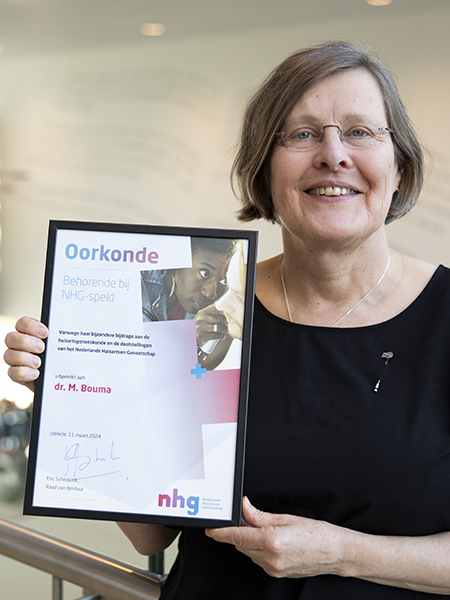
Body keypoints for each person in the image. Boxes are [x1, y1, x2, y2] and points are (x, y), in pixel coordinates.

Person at [5, 40, 450, 598]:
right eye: (302, 134)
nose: (333, 154)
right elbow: (150, 534)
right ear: (264, 170)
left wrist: (344, 554)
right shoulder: (199, 308)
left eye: (360, 131)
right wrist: (74, 395)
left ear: (399, 167)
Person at [141, 236, 237, 369]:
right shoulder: (137, 283)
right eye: (204, 273)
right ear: (178, 262)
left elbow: (199, 368)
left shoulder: (223, 299)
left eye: (224, 280)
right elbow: (137, 363)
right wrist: (189, 337)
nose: (211, 294)